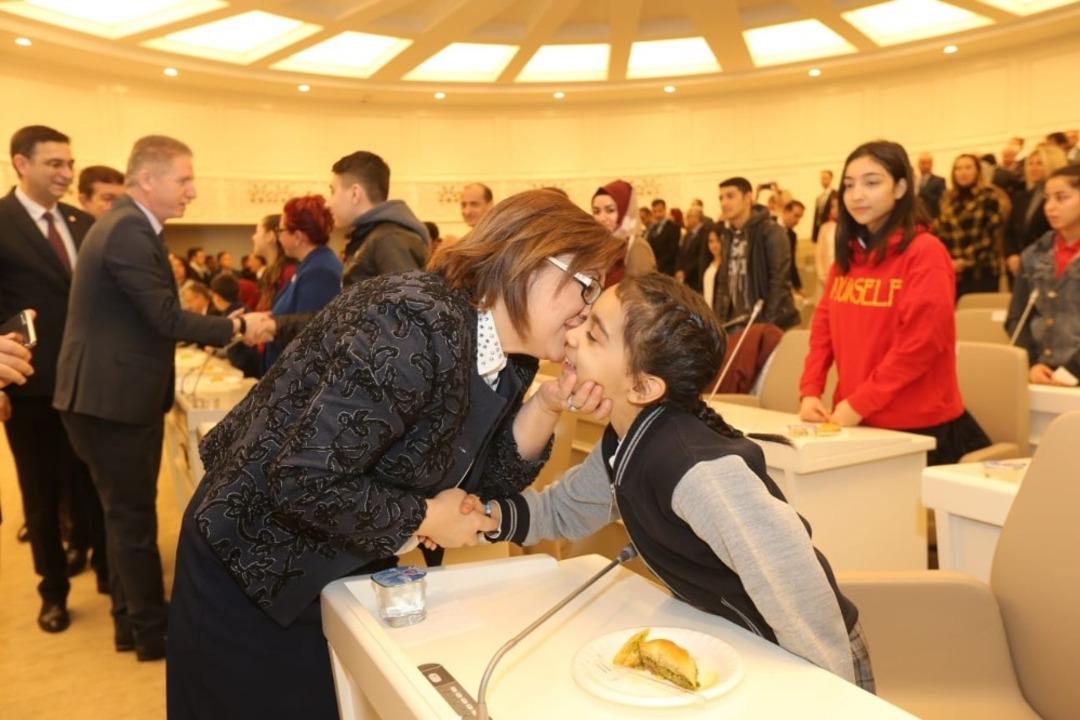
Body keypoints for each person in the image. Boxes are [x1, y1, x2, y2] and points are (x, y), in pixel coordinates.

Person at [165, 189, 624, 719]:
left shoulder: (510, 356)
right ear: (527, 259)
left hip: (344, 566)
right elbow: (302, 479)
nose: (586, 313)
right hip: (253, 566)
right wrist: (429, 515)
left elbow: (489, 483)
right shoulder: (411, 318)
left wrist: (548, 403)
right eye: (586, 286)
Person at [474, 274, 873, 690]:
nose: (572, 336)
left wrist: (834, 697)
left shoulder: (697, 472)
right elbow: (568, 509)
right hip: (749, 650)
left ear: (643, 386)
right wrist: (488, 517)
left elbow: (795, 584)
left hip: (815, 664)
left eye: (594, 336)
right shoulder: (628, 437)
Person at [53, 135, 266, 661]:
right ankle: (152, 632)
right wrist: (238, 324)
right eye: (184, 180)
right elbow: (166, 319)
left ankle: (131, 621)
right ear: (147, 179)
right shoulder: (128, 228)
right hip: (111, 402)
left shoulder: (128, 225)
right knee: (133, 520)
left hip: (106, 399)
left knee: (121, 516)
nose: (192, 191)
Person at [799, 140, 989, 466]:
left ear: (900, 187)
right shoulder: (846, 259)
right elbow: (822, 331)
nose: (856, 194)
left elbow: (920, 345)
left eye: (871, 183)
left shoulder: (925, 252)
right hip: (856, 420)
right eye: (849, 185)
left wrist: (859, 403)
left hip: (917, 426)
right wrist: (810, 391)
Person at [0, 125, 105, 633]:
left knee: (92, 485)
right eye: (54, 164)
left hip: (87, 385)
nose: (67, 173)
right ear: (21, 163)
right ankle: (53, 591)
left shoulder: (83, 222)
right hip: (30, 389)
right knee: (40, 497)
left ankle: (109, 576)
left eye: (70, 163)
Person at [1005, 164, 1080, 385]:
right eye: (1047, 198)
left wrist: (1071, 371)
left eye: (1061, 197)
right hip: (1040, 373)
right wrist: (1029, 363)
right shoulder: (1033, 254)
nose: (1050, 207)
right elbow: (1017, 316)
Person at [710, 177, 800, 330]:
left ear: (748, 198)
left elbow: (779, 283)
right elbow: (723, 284)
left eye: (730, 196)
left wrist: (764, 324)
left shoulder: (772, 232)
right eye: (721, 198)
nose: (724, 203)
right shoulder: (727, 236)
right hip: (737, 325)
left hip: (768, 325)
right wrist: (719, 323)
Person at [263, 195, 342, 369]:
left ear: (298, 236)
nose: (279, 237)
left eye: (281, 231)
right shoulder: (309, 264)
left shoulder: (320, 270)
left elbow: (309, 334)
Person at [326, 151, 428, 283]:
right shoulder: (374, 236)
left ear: (354, 194)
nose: (327, 203)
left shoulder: (389, 239)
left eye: (333, 191)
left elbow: (408, 301)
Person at [934, 153, 1005, 299]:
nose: (963, 172)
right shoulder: (948, 199)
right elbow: (941, 233)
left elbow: (989, 236)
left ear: (977, 171)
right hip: (953, 271)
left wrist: (964, 261)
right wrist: (948, 261)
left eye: (968, 167)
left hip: (982, 270)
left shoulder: (989, 196)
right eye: (958, 168)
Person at [1005, 143, 1069, 278]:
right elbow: (1009, 231)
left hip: (1050, 264)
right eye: (1030, 164)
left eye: (1039, 163)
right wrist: (1012, 255)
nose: (1033, 168)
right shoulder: (1020, 197)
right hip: (1020, 266)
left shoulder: (1066, 199)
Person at [591, 180, 655, 288]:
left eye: (610, 210)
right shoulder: (600, 245)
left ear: (625, 211)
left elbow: (643, 295)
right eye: (596, 211)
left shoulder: (636, 247)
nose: (601, 218)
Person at [250, 213, 295, 311]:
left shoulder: (289, 274)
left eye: (257, 232)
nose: (253, 237)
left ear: (270, 236)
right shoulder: (269, 273)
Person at [676, 205, 712, 292]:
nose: (686, 219)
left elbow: (700, 257)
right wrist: (679, 269)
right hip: (685, 278)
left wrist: (686, 272)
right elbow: (681, 254)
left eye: (689, 216)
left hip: (696, 277)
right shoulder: (687, 235)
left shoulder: (705, 233)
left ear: (697, 218)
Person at [814, 195, 840, 298]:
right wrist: (822, 276)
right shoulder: (825, 228)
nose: (834, 210)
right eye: (832, 206)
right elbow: (819, 254)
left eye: (838, 206)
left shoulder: (852, 228)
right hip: (827, 276)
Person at [646, 198, 679, 276]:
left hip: (667, 269)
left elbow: (672, 250)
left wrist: (658, 264)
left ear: (665, 210)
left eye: (660, 211)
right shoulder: (652, 228)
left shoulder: (673, 227)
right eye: (655, 211)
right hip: (653, 269)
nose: (658, 214)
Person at [781, 200, 806, 295]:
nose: (797, 221)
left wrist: (798, 286)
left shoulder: (792, 236)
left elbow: (791, 262)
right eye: (796, 216)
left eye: (800, 217)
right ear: (786, 212)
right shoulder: (768, 225)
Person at [916, 152, 946, 220]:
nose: (925, 165)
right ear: (918, 164)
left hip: (932, 217)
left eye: (928, 163)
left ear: (932, 164)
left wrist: (923, 193)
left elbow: (942, 200)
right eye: (922, 163)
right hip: (916, 218)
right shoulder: (914, 180)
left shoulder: (939, 181)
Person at [813, 170, 837, 244]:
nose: (823, 180)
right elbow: (817, 216)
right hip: (820, 229)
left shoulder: (836, 195)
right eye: (822, 178)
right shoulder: (819, 197)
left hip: (831, 229)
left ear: (831, 179)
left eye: (825, 178)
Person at [701, 227, 722, 310]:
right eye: (711, 241)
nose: (714, 245)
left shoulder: (727, 266)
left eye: (718, 241)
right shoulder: (707, 263)